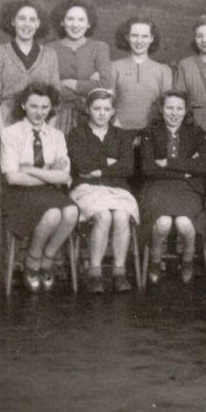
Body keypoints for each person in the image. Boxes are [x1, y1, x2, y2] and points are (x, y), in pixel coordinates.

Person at [0, 83, 77, 293]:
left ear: (50, 108)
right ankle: (33, 260)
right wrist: (50, 175)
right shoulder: (10, 134)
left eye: (44, 107)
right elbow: (13, 178)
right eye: (34, 106)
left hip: (47, 191)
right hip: (18, 194)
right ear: (24, 105)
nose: (39, 112)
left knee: (71, 211)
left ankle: (48, 257)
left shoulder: (57, 135)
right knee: (51, 214)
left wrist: (32, 170)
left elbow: (65, 175)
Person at [0, 0, 60, 210]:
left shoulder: (50, 55)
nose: (27, 24)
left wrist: (48, 133)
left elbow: (56, 98)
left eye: (32, 19)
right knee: (13, 179)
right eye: (21, 18)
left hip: (41, 122)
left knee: (40, 177)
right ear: (12, 22)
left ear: (38, 24)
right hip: (6, 121)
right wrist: (4, 133)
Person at [67, 88, 139, 293]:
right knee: (104, 216)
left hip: (118, 189)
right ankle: (95, 272)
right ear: (88, 109)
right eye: (97, 108)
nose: (101, 113)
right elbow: (81, 166)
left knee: (122, 216)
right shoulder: (77, 134)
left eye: (106, 109)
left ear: (112, 112)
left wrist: (98, 168)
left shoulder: (121, 135)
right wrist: (109, 164)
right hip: (86, 188)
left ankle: (119, 271)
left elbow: (128, 167)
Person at [139, 91, 206, 285]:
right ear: (161, 109)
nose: (174, 113)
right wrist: (184, 168)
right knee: (163, 224)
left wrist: (166, 162)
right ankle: (155, 259)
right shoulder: (149, 132)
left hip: (188, 188)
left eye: (179, 108)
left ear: (186, 111)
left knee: (185, 224)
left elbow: (202, 166)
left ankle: (187, 261)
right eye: (169, 107)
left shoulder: (197, 133)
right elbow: (148, 168)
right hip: (157, 187)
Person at [48, 0, 112, 134]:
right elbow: (49, 89)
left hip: (91, 117)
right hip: (57, 117)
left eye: (81, 20)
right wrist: (88, 87)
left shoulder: (99, 48)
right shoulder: (49, 49)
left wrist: (72, 84)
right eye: (70, 19)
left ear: (89, 24)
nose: (75, 25)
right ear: (62, 22)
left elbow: (105, 85)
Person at [110, 15, 173, 135]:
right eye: (135, 36)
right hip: (119, 131)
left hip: (152, 134)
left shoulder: (163, 70)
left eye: (145, 36)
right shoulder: (114, 67)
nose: (139, 41)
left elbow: (168, 107)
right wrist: (115, 124)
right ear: (127, 37)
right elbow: (107, 102)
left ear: (152, 38)